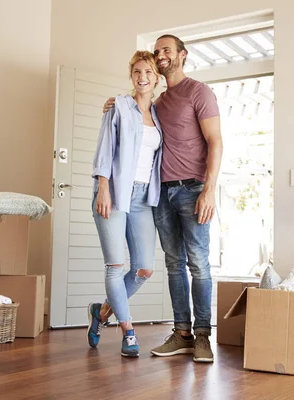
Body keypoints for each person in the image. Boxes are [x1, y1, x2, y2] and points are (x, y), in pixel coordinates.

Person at [103, 34, 223, 363]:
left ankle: (202, 337)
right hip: (162, 193)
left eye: (166, 50)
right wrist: (116, 104)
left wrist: (210, 189)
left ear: (182, 55)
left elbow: (215, 142)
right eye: (157, 52)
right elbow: (136, 121)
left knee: (198, 264)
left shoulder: (199, 92)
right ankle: (181, 332)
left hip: (194, 188)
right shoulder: (157, 104)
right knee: (173, 265)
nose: (161, 55)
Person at [86, 50, 164, 358]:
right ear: (132, 76)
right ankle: (128, 331)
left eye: (148, 72)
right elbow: (105, 147)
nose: (142, 77)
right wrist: (103, 187)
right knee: (116, 267)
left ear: (157, 78)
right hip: (115, 191)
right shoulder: (118, 106)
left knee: (144, 268)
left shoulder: (158, 115)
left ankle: (101, 312)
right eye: (137, 72)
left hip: (144, 197)